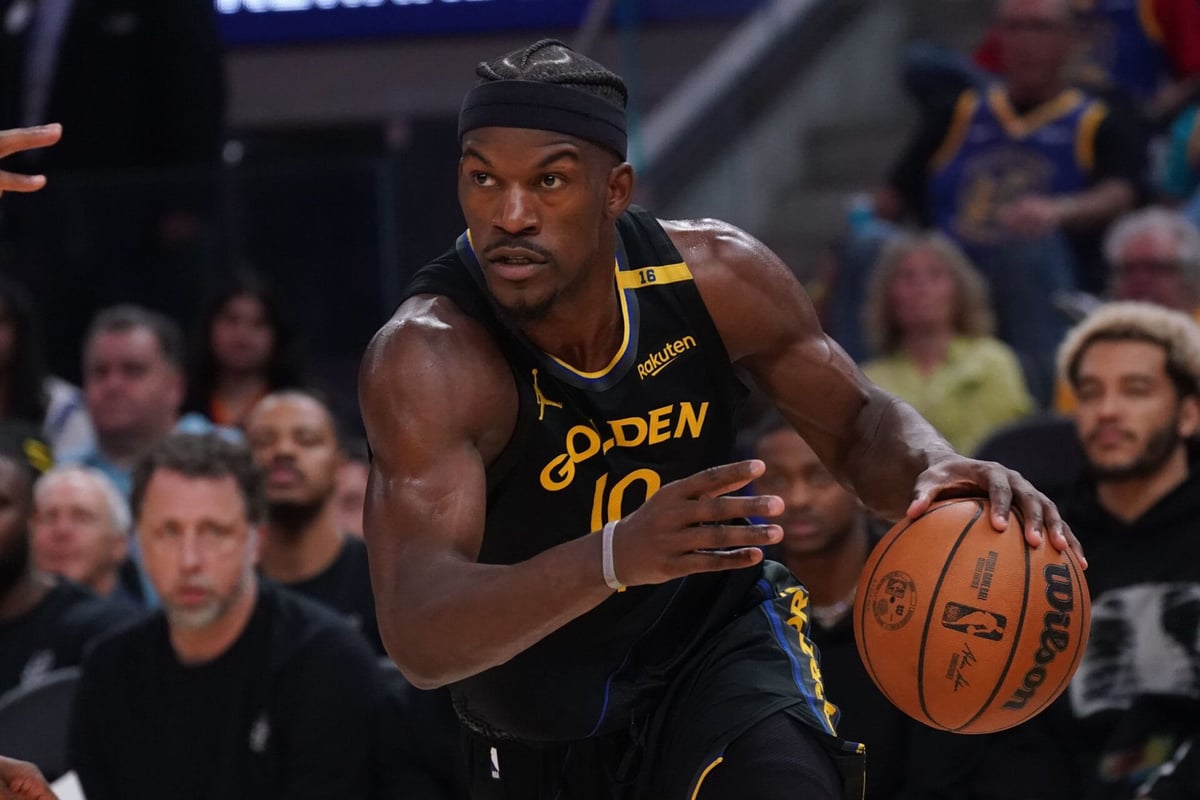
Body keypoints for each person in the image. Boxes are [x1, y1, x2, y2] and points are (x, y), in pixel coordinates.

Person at [358, 38, 1082, 800]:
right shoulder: (431, 357)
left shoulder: (717, 277)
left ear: (615, 191)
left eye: (549, 181)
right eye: (483, 179)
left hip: (716, 654)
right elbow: (418, 629)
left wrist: (934, 466)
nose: (510, 215)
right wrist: (615, 555)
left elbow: (862, 428)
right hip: (538, 714)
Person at [67, 432, 381, 800]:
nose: (189, 560)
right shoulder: (109, 668)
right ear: (138, 543)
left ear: (256, 541)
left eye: (214, 532)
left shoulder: (328, 661)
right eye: (168, 532)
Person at [858, 0, 1143, 392]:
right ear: (996, 38)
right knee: (867, 245)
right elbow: (889, 199)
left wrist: (1059, 210)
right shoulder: (959, 112)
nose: (1025, 42)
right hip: (950, 269)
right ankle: (848, 396)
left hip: (1039, 268)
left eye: (1040, 28)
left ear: (1071, 39)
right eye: (1013, 28)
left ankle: (1045, 403)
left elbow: (1121, 192)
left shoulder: (1099, 116)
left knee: (1027, 250)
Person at [1054, 301, 1200, 800]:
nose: (1107, 411)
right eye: (1090, 393)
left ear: (1189, 414)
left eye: (1135, 390)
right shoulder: (1038, 544)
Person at [860, 231, 1034, 452]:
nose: (921, 286)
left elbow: (1009, 450)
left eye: (935, 274)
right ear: (888, 296)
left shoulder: (994, 361)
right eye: (907, 277)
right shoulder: (868, 380)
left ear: (959, 291)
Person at [243, 390, 381, 654]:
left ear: (339, 465)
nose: (283, 451)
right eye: (263, 441)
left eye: (306, 440)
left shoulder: (384, 580)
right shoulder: (223, 582)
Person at [0, 421, 128, 697]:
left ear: (29, 520)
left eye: (81, 517)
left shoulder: (106, 633)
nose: (62, 531)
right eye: (52, 517)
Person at [184, 272, 306, 429]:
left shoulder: (298, 407)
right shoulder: (179, 399)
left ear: (278, 334)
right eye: (232, 320)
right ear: (209, 326)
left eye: (259, 323)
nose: (242, 335)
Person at [29, 465, 137, 608]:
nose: (62, 530)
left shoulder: (147, 621)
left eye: (81, 517)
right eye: (49, 517)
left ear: (119, 543)